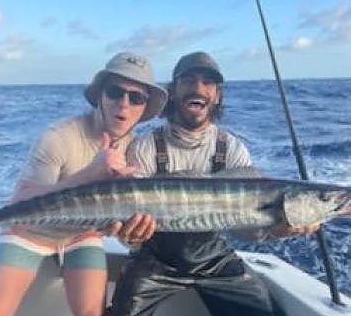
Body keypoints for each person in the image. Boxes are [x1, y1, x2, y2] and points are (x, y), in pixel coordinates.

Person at [108, 51, 318, 316]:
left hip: (214, 261)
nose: (198, 88)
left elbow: (245, 230)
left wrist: (277, 230)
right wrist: (131, 237)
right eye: (188, 80)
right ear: (172, 92)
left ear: (217, 96)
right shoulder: (145, 147)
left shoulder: (233, 150)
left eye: (208, 83)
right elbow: (131, 224)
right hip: (155, 261)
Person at [0, 52, 168, 316]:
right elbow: (19, 203)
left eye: (136, 98)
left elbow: (122, 224)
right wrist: (89, 174)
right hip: (29, 233)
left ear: (144, 108)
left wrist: (131, 233)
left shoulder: (135, 150)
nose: (124, 104)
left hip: (81, 235)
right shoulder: (58, 137)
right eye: (115, 92)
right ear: (100, 95)